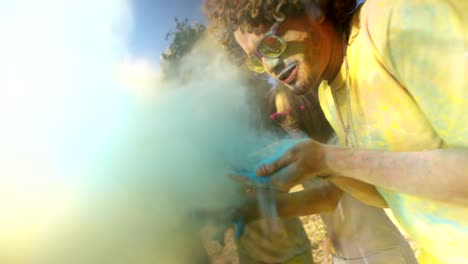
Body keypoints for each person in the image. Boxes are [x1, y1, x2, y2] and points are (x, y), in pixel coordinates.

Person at [203, 0, 468, 263]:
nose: (270, 65)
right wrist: (318, 166)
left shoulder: (402, 15)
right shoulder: (328, 94)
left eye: (269, 43)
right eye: (257, 60)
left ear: (312, 8)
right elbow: (385, 196)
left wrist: (329, 159)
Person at [270, 85, 417, 263]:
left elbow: (328, 198)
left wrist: (254, 209)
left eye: (294, 111)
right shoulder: (305, 157)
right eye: (279, 117)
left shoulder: (338, 144)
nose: (288, 122)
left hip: (380, 253)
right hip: (345, 256)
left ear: (310, 107)